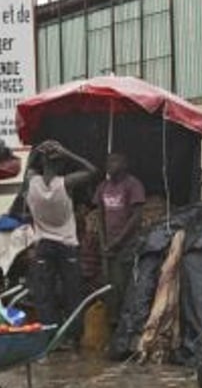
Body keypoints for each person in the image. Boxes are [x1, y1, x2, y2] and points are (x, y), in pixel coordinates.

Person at [25, 140, 98, 345]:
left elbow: (29, 168)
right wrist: (67, 152)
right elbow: (92, 170)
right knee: (72, 292)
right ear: (61, 165)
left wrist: (37, 153)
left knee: (44, 294)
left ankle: (51, 339)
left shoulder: (32, 181)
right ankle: (73, 338)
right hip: (67, 246)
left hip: (43, 246)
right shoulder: (66, 183)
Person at [94, 151, 145, 326]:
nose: (110, 164)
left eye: (114, 161)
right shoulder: (102, 187)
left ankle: (127, 324)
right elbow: (99, 216)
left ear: (125, 164)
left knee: (124, 285)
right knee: (110, 286)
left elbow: (136, 217)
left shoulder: (133, 185)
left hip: (127, 245)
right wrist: (103, 242)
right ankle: (113, 323)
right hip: (108, 246)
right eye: (108, 161)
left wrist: (118, 241)